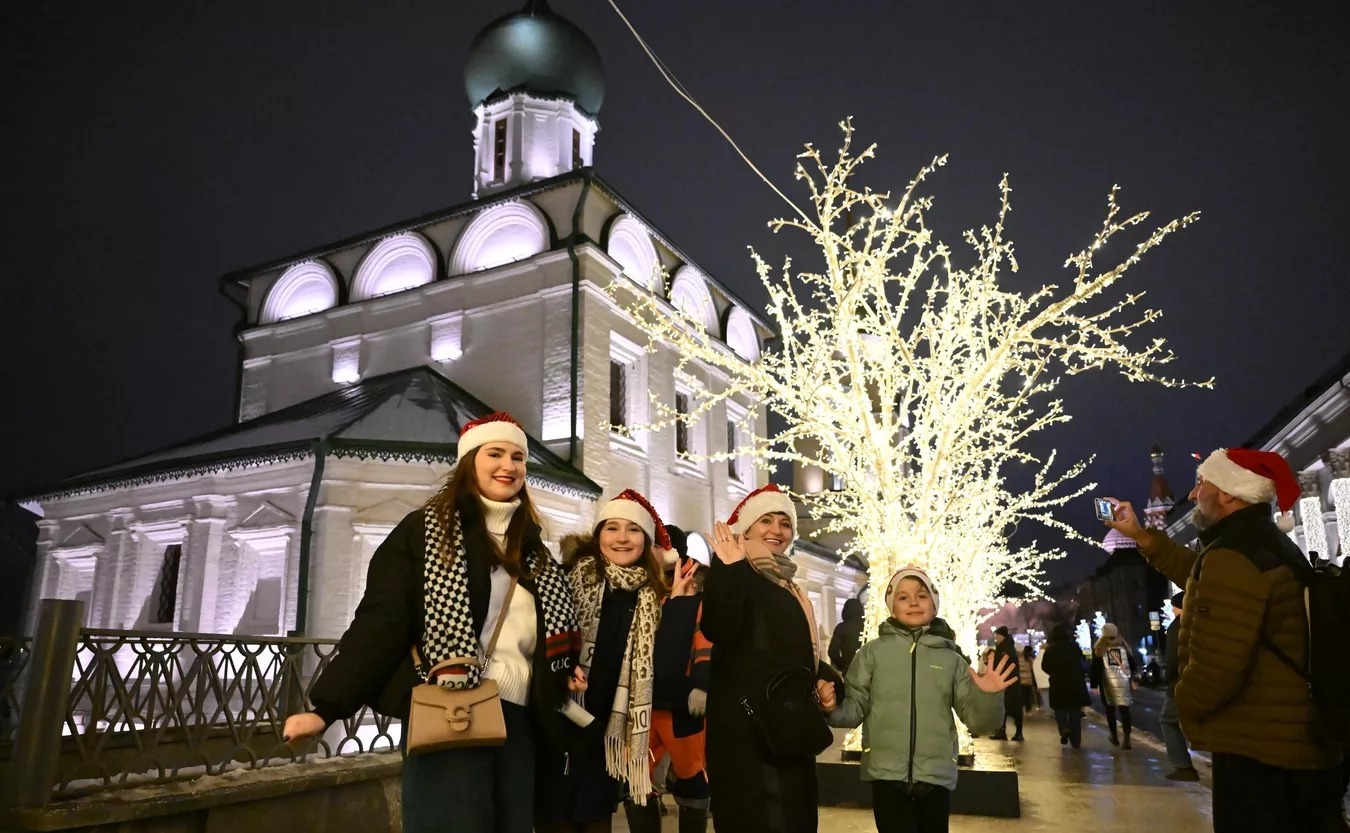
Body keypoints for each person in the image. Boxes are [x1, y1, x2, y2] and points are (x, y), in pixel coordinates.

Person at [281, 413, 582, 833]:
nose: (508, 466)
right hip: (451, 709)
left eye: (517, 457)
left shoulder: (533, 551)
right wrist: (327, 707)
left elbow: (539, 636)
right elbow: (382, 621)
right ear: (469, 462)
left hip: (519, 719)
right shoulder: (425, 532)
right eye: (494, 453)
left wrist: (564, 668)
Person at [1105, 447, 1345, 832]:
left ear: (1230, 494)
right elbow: (1201, 575)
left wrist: (1186, 706)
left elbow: (1217, 665)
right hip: (1292, 742)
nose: (1193, 494)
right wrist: (1141, 537)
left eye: (1202, 483)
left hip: (1259, 751)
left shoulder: (1234, 554)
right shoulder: (1259, 543)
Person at [820, 566, 1013, 833]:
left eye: (922, 596)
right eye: (903, 597)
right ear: (891, 607)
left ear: (934, 606)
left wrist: (989, 696)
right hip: (886, 776)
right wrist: (831, 707)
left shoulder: (952, 660)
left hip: (935, 777)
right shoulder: (871, 654)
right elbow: (854, 709)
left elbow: (981, 724)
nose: (913, 602)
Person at [702, 484, 841, 833]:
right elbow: (719, 627)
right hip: (748, 734)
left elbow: (794, 655)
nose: (776, 531)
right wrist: (731, 569)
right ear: (746, 529)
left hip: (786, 727)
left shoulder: (786, 582)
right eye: (766, 520)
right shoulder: (734, 570)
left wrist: (826, 679)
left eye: (784, 523)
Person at [537, 490, 671, 833]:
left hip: (604, 733)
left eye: (633, 529)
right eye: (612, 528)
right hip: (558, 724)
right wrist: (561, 672)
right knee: (556, 819)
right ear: (599, 536)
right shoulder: (569, 578)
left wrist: (682, 608)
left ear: (646, 540)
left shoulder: (651, 596)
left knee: (597, 821)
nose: (622, 538)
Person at [624, 525, 711, 833]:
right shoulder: (641, 587)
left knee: (691, 775)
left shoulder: (695, 587)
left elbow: (705, 639)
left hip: (681, 703)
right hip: (643, 702)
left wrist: (701, 683)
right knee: (636, 775)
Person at [1160, 592, 1199, 781]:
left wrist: (1168, 678)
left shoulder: (1178, 626)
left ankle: (1183, 766)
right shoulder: (1201, 622)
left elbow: (1173, 657)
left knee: (1168, 720)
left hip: (1179, 682)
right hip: (1201, 679)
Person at [1040, 624, 1090, 748]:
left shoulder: (1050, 650)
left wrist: (1054, 672)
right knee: (1074, 710)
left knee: (1059, 708)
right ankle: (1076, 740)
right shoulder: (1074, 648)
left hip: (1058, 683)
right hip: (1074, 682)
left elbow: (1044, 666)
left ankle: (1064, 728)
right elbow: (1082, 663)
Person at [1089, 622, 1137, 749]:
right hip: (1124, 683)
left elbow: (1096, 668)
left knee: (1110, 711)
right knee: (1125, 711)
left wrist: (1094, 684)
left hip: (1107, 683)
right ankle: (1127, 738)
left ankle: (1114, 736)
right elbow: (1132, 665)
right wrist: (1134, 679)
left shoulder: (1100, 648)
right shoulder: (1124, 647)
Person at [989, 627, 1023, 741]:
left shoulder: (1008, 649)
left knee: (1014, 707)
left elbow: (1006, 663)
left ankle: (1018, 732)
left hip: (1011, 682)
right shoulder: (1001, 647)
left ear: (1003, 636)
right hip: (1002, 681)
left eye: (997, 636)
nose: (996, 638)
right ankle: (1002, 731)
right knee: (1002, 706)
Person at [828, 597, 866, 676]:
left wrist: (843, 666)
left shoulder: (841, 628)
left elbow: (832, 652)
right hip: (867, 669)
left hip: (849, 670)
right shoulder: (867, 627)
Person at [1030, 639, 1051, 711]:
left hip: (1040, 681)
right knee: (1051, 697)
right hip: (1049, 680)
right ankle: (1052, 711)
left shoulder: (1036, 658)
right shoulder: (1048, 656)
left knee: (1045, 697)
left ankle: (1048, 711)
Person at [1018, 646, 1039, 713]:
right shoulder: (1030, 659)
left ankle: (1020, 709)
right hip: (1028, 679)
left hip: (1020, 679)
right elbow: (1033, 669)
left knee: (1021, 695)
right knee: (1028, 696)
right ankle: (1028, 710)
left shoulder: (1018, 659)